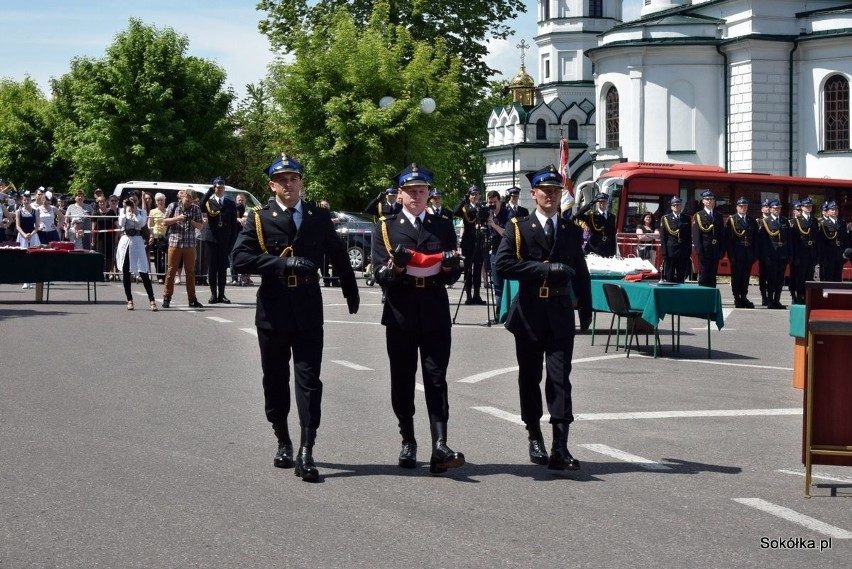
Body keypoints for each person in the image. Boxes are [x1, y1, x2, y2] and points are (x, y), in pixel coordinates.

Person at [232, 153, 360, 482]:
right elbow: (239, 259)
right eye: (282, 180)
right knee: (275, 381)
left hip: (307, 309)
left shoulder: (318, 215)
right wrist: (282, 264)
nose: (289, 185)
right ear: (272, 185)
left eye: (294, 179)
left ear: (302, 182)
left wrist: (350, 290)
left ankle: (307, 449)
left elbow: (337, 253)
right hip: (273, 311)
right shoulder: (259, 218)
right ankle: (283, 440)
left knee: (309, 381)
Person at [495, 164, 592, 471]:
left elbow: (581, 270)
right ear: (533, 193)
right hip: (529, 314)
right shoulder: (519, 227)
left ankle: (560, 446)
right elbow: (504, 265)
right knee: (530, 377)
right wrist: (545, 270)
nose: (550, 196)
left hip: (561, 314)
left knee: (560, 379)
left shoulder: (571, 230)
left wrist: (586, 307)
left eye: (555, 191)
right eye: (545, 191)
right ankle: (534, 433)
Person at [371, 163, 464, 475]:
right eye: (410, 191)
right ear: (401, 194)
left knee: (436, 377)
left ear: (428, 193)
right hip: (402, 309)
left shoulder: (443, 225)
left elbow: (451, 275)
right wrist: (397, 267)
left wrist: (451, 267)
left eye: (421, 190)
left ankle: (440, 445)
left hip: (435, 307)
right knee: (403, 377)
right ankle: (408, 439)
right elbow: (380, 275)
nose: (416, 195)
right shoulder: (386, 226)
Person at [161, 188, 204, 309]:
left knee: (190, 273)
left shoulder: (195, 208)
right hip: (175, 243)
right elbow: (164, 221)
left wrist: (191, 221)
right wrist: (177, 218)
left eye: (191, 201)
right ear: (182, 197)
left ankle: (192, 299)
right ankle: (167, 297)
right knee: (171, 271)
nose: (188, 203)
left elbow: (200, 226)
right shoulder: (173, 206)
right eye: (187, 200)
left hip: (189, 244)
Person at [199, 177, 239, 304]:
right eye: (217, 187)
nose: (220, 190)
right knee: (212, 268)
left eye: (222, 187)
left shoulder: (230, 203)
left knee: (222, 268)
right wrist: (209, 192)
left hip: (224, 239)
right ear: (214, 188)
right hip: (211, 238)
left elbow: (234, 224)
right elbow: (200, 206)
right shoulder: (209, 202)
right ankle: (213, 294)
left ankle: (222, 294)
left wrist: (232, 241)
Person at [116, 197, 158, 311]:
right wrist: (125, 209)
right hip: (126, 240)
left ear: (138, 201)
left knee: (143, 270)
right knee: (126, 271)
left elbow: (141, 222)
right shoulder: (122, 211)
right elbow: (121, 223)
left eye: (134, 200)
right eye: (130, 200)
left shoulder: (142, 212)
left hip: (137, 241)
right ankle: (129, 299)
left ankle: (152, 300)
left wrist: (135, 210)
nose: (132, 202)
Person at [453, 185, 486, 305]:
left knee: (477, 270)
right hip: (468, 242)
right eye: (472, 195)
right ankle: (468, 295)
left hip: (479, 241)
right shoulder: (465, 208)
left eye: (476, 194)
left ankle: (477, 295)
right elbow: (455, 212)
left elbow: (487, 218)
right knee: (468, 270)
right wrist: (463, 200)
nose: (474, 196)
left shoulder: (481, 207)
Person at [724, 197, 757, 308]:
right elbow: (728, 240)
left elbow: (755, 239)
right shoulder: (732, 220)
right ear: (737, 207)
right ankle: (737, 297)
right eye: (741, 206)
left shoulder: (752, 221)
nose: (743, 208)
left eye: (745, 206)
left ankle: (744, 296)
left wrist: (754, 255)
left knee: (745, 277)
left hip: (748, 253)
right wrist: (731, 255)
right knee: (736, 277)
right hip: (737, 253)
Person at [757, 200, 790, 309]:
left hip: (783, 254)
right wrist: (766, 256)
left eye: (779, 208)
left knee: (780, 279)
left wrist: (789, 254)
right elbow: (764, 242)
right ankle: (770, 300)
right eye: (775, 208)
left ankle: (777, 300)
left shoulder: (785, 221)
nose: (777, 210)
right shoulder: (766, 221)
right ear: (770, 209)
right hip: (772, 254)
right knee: (771, 278)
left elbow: (789, 240)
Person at [789, 197, 819, 304]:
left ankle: (807, 296)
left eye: (810, 206)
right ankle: (799, 295)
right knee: (799, 276)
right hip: (801, 253)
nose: (808, 208)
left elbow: (817, 239)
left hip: (811, 253)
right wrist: (795, 256)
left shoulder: (814, 221)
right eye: (806, 206)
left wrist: (816, 255)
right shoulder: (796, 221)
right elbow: (794, 241)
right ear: (802, 208)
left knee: (809, 276)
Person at [692, 190, 724, 287]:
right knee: (703, 274)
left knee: (713, 275)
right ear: (703, 201)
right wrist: (699, 250)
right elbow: (696, 235)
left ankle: (711, 297)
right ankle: (702, 297)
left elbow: (721, 234)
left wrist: (722, 250)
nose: (709, 201)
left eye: (711, 199)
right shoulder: (698, 215)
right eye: (707, 199)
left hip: (715, 249)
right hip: (704, 249)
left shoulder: (718, 216)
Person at [485, 189, 509, 316]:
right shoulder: (488, 214)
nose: (492, 205)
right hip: (494, 251)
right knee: (497, 285)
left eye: (494, 202)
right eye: (490, 203)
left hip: (506, 252)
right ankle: (499, 313)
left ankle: (507, 312)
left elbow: (507, 234)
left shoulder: (507, 214)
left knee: (506, 284)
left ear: (500, 201)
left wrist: (493, 225)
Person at [659, 197, 691, 282]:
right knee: (669, 275)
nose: (676, 207)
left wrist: (689, 251)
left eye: (678, 205)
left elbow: (688, 236)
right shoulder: (666, 218)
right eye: (674, 205)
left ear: (681, 206)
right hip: (671, 251)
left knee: (681, 275)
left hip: (683, 250)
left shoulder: (686, 218)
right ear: (671, 207)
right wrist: (664, 252)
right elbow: (663, 237)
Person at [575, 192, 617, 257]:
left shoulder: (612, 216)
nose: (602, 203)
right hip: (594, 248)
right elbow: (578, 215)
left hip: (607, 249)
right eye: (600, 202)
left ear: (607, 203)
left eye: (604, 201)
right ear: (596, 203)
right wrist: (591, 204)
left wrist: (614, 251)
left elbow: (612, 235)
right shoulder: (592, 215)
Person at [818, 201, 847, 282]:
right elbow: (822, 242)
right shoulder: (824, 223)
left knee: (838, 277)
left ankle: (836, 295)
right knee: (828, 276)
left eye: (836, 210)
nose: (834, 211)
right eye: (832, 210)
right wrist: (822, 256)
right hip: (829, 253)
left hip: (839, 252)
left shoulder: (842, 222)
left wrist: (845, 252)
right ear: (828, 211)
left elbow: (845, 239)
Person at [148, 193, 168, 284]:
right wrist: (151, 235)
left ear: (164, 201)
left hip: (166, 236)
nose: (160, 202)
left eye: (161, 200)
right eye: (158, 200)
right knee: (157, 257)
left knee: (167, 258)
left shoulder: (168, 210)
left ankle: (167, 275)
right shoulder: (152, 211)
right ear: (156, 202)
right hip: (157, 236)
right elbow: (150, 224)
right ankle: (160, 276)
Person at [756, 199, 772, 305]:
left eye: (768, 207)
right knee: (763, 276)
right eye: (765, 206)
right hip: (762, 253)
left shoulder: (773, 220)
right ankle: (763, 296)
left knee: (772, 276)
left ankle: (770, 297)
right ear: (762, 209)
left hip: (773, 252)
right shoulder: (758, 221)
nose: (767, 208)